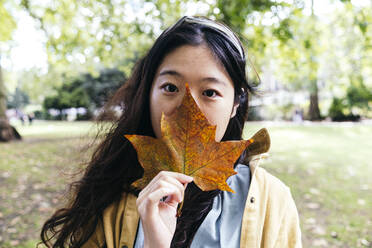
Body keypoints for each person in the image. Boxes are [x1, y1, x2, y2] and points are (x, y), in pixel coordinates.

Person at [40, 16, 302, 248]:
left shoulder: (272, 201)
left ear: (235, 104)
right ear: (148, 93)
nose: (188, 107)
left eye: (210, 92)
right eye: (170, 87)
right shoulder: (108, 198)